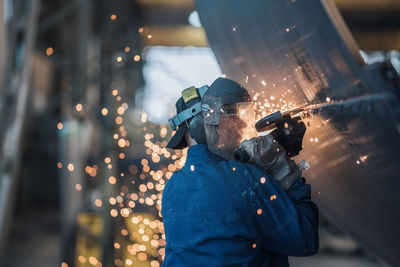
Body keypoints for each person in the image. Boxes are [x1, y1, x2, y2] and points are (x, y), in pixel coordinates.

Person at [162, 78, 319, 266]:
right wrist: (286, 175)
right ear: (202, 124)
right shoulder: (246, 179)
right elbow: (304, 240)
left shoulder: (172, 186)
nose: (242, 124)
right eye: (232, 114)